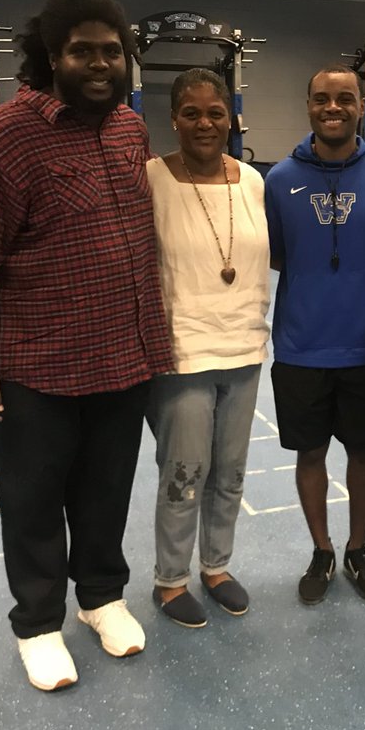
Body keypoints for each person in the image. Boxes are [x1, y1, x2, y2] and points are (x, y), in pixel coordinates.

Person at [0, 0, 173, 692]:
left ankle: (99, 597)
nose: (99, 64)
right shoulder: (3, 138)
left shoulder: (128, 128)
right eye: (81, 51)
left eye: (111, 51)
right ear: (50, 56)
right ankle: (38, 623)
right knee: (34, 503)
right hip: (37, 365)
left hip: (124, 357)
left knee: (105, 493)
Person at [265, 65, 365, 604]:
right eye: (321, 98)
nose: (333, 107)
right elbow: (277, 253)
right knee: (310, 454)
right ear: (308, 106)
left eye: (345, 98)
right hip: (301, 344)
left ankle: (357, 547)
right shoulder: (279, 180)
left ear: (361, 106)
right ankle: (322, 549)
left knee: (363, 452)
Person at [146, 68, 270, 628]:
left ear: (230, 118)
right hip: (181, 352)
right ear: (173, 119)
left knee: (231, 470)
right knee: (184, 471)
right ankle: (170, 581)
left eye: (215, 112)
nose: (204, 123)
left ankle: (216, 567)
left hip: (244, 346)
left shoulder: (250, 181)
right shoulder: (149, 178)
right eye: (191, 113)